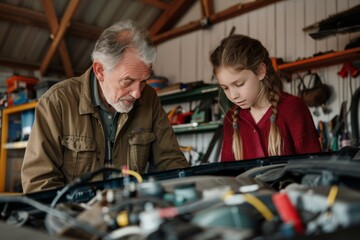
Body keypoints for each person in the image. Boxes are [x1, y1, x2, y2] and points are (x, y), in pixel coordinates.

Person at [21, 20, 189, 193]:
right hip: (75, 215)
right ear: (100, 70)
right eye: (128, 81)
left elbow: (171, 162)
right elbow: (39, 182)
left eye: (143, 82)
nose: (137, 93)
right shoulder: (57, 102)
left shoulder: (149, 99)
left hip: (129, 213)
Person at [210, 34, 322, 162]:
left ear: (260, 71)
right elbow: (227, 175)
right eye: (225, 88)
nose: (233, 95)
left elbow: (314, 170)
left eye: (239, 84)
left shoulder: (292, 108)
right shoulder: (231, 118)